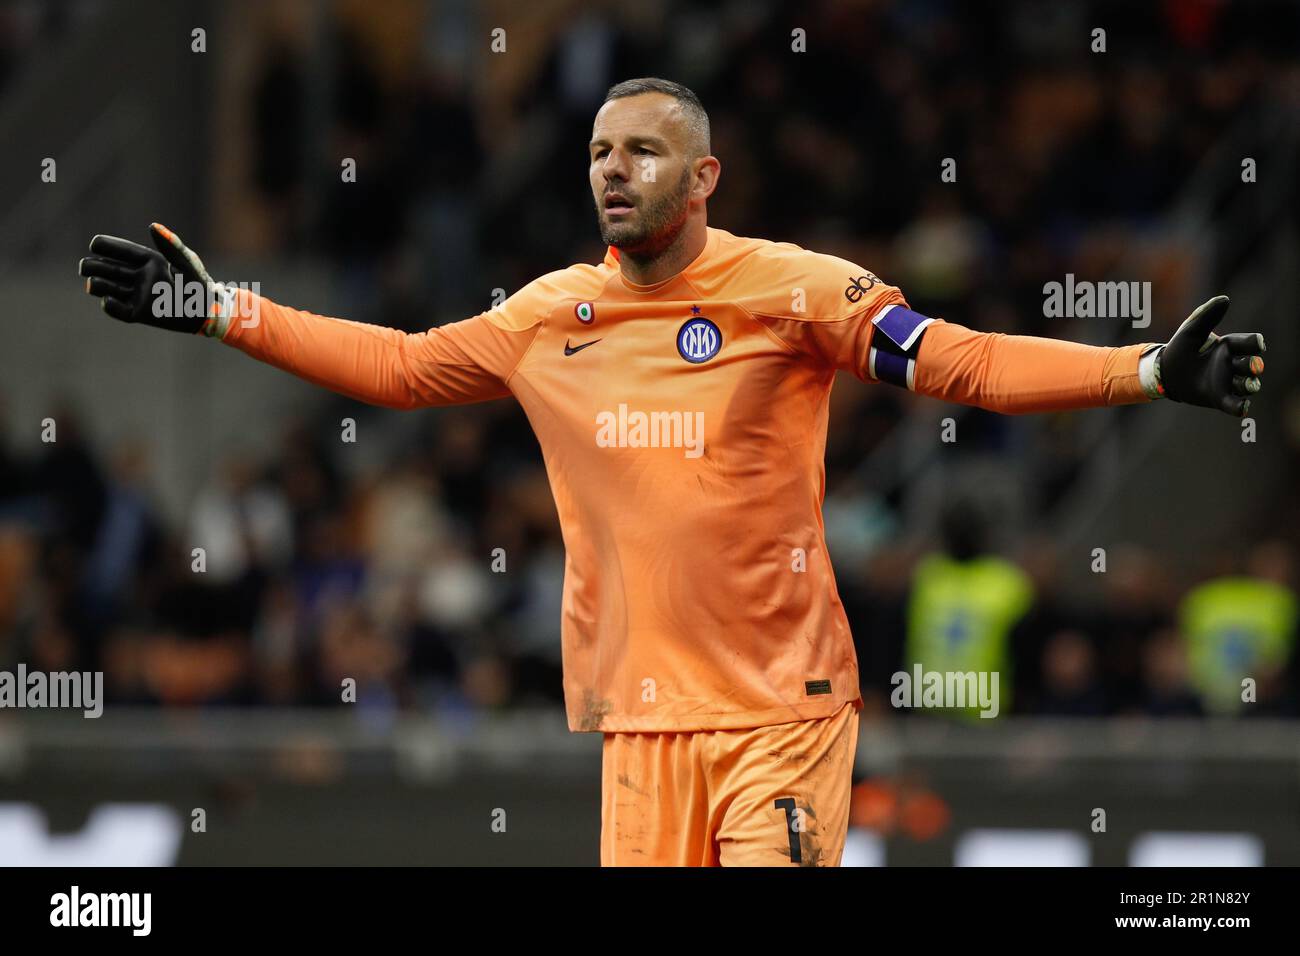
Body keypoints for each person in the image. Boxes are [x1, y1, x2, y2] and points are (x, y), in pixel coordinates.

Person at [78, 77, 1267, 866]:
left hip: (779, 711)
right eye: (599, 151)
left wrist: (1145, 371)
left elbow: (957, 362)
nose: (612, 168)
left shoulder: (796, 289)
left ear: (703, 178)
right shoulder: (551, 314)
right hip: (640, 724)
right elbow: (395, 365)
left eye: (643, 150)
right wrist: (223, 309)